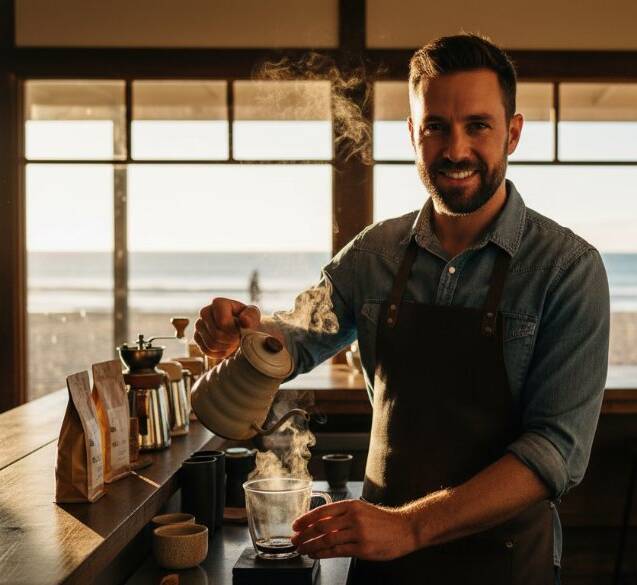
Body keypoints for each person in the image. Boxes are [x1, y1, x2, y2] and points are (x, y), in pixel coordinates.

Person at [194, 33, 609, 585]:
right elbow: (294, 337)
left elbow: (554, 452)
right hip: (383, 558)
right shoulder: (373, 255)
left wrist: (409, 527)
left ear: (512, 133)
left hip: (503, 561)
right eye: (435, 126)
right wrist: (242, 335)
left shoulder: (568, 270)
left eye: (477, 126)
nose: (455, 149)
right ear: (413, 134)